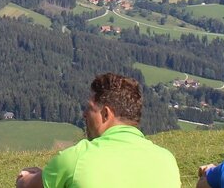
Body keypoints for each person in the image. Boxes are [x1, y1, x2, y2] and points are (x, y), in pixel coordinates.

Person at [16, 72, 180, 188]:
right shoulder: (167, 160)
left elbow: (27, 185)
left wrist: (26, 177)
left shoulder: (77, 158)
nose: (84, 114)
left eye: (90, 109)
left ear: (105, 114)